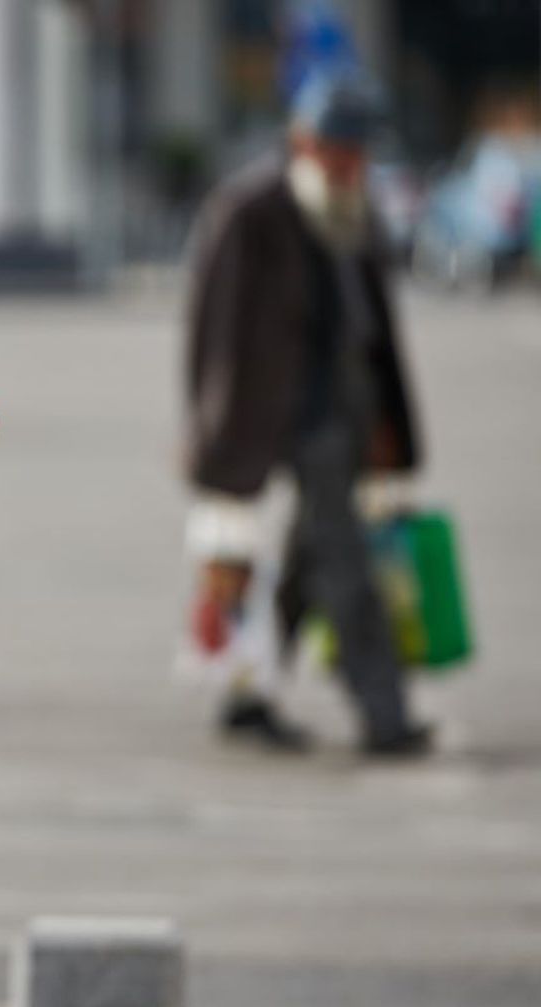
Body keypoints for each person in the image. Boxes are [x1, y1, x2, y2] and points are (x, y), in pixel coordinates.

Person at [183, 72, 432, 757]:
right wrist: (210, 436)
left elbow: (376, 328)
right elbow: (215, 334)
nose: (346, 161)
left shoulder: (359, 209)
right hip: (268, 418)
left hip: (341, 416)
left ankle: (246, 693)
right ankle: (385, 717)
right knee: (332, 567)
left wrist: (386, 422)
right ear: (302, 142)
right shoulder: (250, 210)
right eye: (334, 147)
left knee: (301, 568)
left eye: (356, 149)